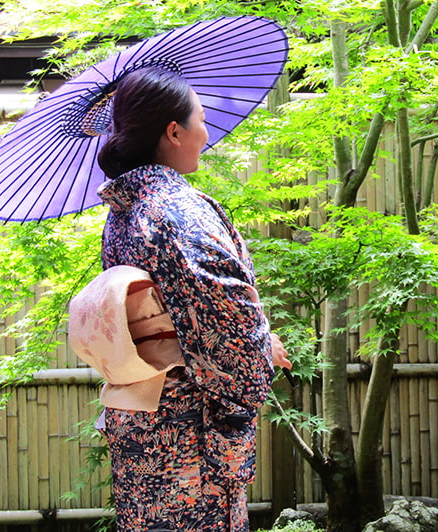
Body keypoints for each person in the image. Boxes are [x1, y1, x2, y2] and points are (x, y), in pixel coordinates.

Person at [91, 66, 291, 531]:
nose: (206, 132)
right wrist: (261, 353)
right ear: (174, 131)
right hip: (190, 444)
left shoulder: (125, 213)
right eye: (200, 119)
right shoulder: (177, 210)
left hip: (143, 425)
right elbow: (229, 330)